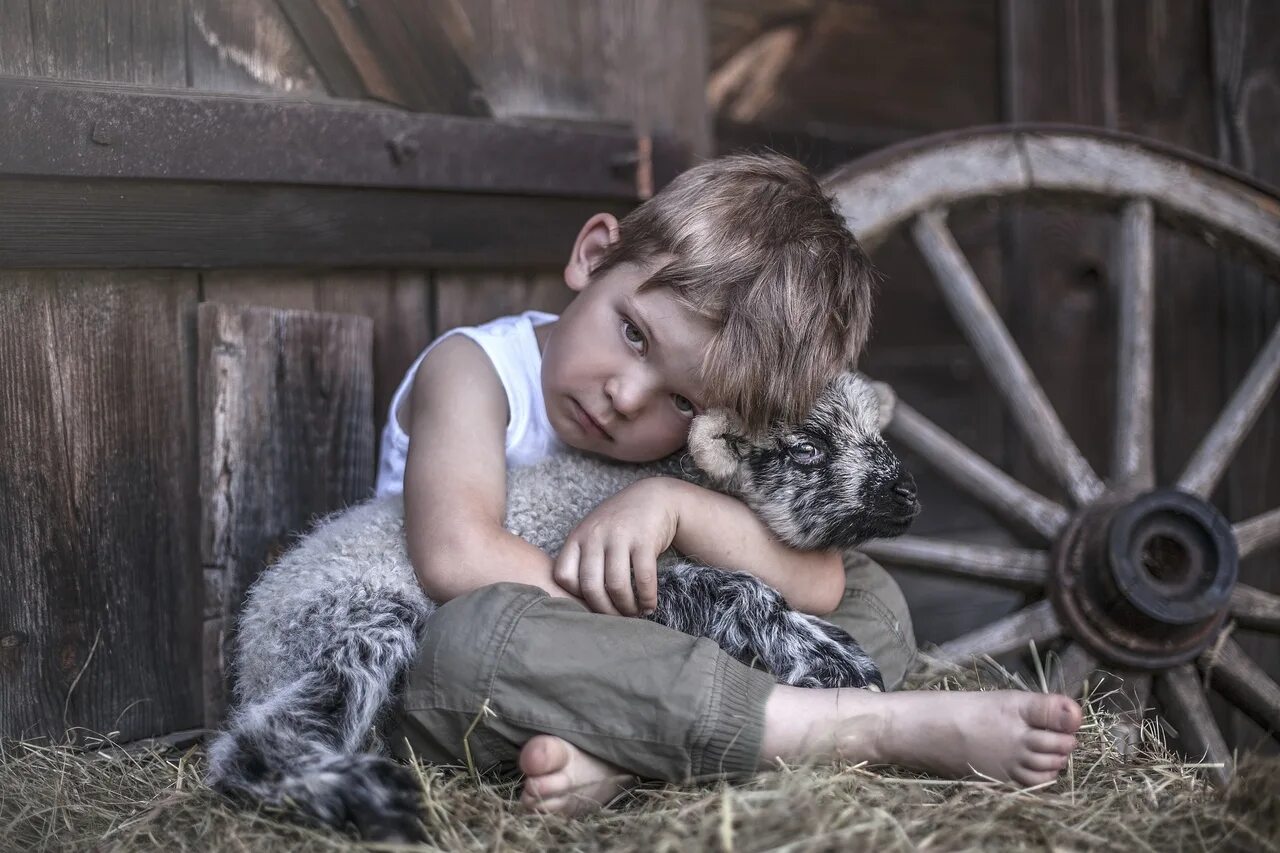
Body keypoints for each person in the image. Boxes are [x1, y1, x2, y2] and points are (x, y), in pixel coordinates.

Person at [376, 153, 1082, 815]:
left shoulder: (680, 453)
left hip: (610, 679)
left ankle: (632, 750)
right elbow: (456, 559)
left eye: (683, 402)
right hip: (470, 671)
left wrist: (674, 505)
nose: (627, 395)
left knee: (871, 594)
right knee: (471, 640)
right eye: (633, 335)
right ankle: (858, 728)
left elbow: (823, 588)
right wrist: (656, 624)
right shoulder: (474, 371)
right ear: (593, 255)